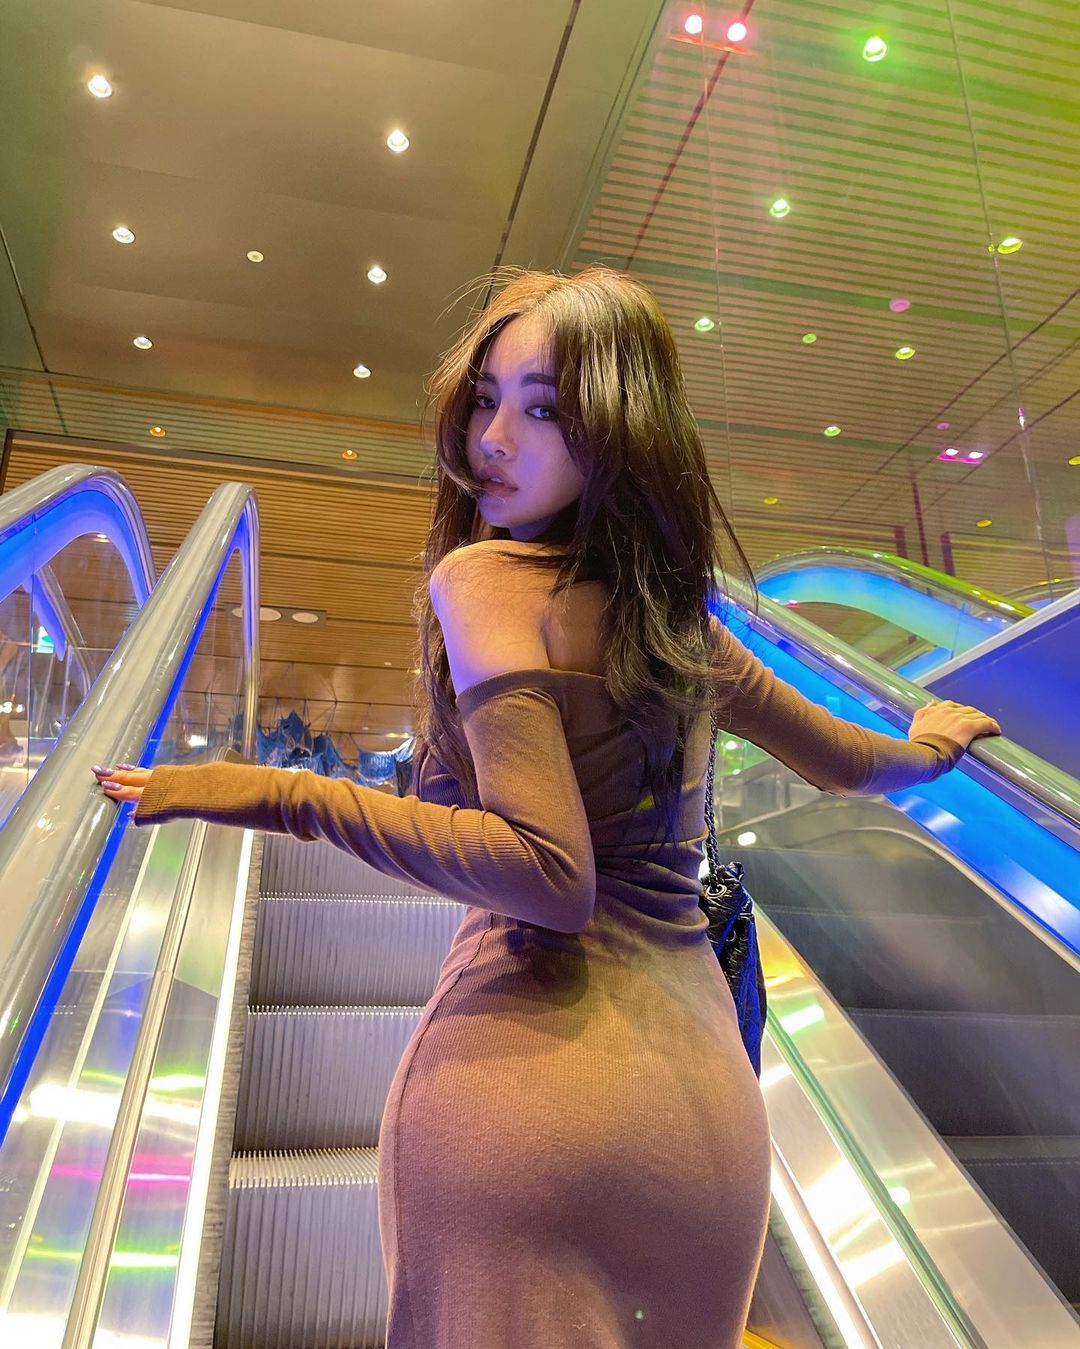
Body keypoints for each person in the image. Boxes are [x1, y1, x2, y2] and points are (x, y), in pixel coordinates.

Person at [92, 265, 1001, 1348]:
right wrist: (931, 745)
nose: (492, 438)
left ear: (617, 432)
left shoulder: (483, 582)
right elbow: (850, 763)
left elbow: (547, 872)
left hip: (524, 1105)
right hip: (704, 1124)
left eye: (544, 410)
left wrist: (281, 792)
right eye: (486, 398)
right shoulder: (682, 626)